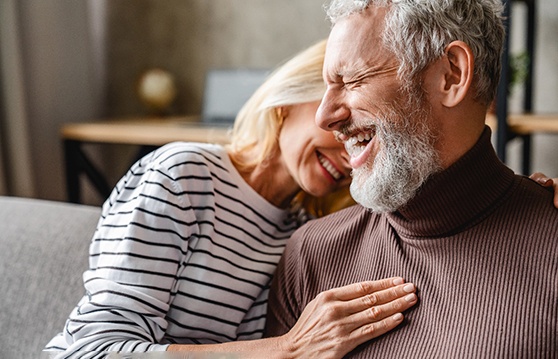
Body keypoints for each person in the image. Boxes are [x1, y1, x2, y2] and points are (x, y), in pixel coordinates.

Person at [44, 39, 419, 358]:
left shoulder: (302, 233)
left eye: (364, 143)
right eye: (342, 129)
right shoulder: (183, 175)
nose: (348, 156)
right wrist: (287, 350)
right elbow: (95, 349)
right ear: (290, 100)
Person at [265, 1, 558, 357]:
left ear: (451, 74)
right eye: (328, 86)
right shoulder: (311, 254)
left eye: (352, 80)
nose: (325, 116)